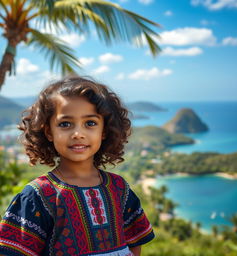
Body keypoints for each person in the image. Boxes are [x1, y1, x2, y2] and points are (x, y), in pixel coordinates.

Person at [0, 76, 154, 256]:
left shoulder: (119, 188)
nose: (78, 134)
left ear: (104, 131)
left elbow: (135, 241)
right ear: (49, 132)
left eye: (90, 123)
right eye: (65, 124)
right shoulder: (38, 195)